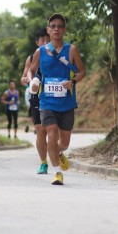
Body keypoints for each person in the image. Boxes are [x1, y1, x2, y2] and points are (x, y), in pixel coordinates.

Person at [26, 14, 85, 185]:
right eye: (53, 26)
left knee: (64, 143)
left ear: (64, 30)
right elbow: (31, 70)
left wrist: (73, 81)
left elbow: (82, 71)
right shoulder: (40, 52)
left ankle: (58, 152)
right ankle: (57, 173)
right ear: (48, 30)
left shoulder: (71, 50)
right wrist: (32, 82)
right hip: (47, 102)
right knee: (51, 134)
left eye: (60, 26)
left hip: (66, 103)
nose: (56, 29)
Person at [21, 28, 50, 174]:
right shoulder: (31, 58)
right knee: (40, 129)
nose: (45, 42)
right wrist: (27, 80)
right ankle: (44, 163)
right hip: (36, 97)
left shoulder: (57, 55)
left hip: (53, 97)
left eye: (47, 40)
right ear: (37, 42)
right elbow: (24, 77)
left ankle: (58, 152)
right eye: (42, 40)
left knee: (53, 129)